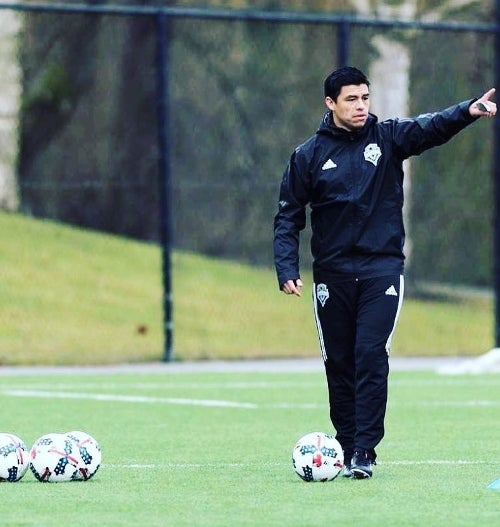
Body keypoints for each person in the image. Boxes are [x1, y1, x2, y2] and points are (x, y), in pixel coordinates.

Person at [273, 66, 496, 479]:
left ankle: (365, 451)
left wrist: (468, 110)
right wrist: (286, 266)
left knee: (370, 355)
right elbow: (288, 216)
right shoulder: (308, 155)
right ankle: (343, 443)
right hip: (332, 275)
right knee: (339, 362)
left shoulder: (388, 138)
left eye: (364, 98)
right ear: (330, 103)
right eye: (351, 99)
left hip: (381, 271)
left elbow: (430, 128)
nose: (360, 107)